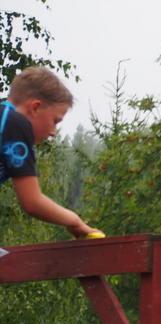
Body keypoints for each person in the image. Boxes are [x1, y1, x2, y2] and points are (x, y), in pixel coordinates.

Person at [2, 67, 100, 238]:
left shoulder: (5, 118)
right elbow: (32, 202)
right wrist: (75, 221)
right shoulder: (15, 123)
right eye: (55, 121)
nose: (54, 132)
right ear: (35, 108)